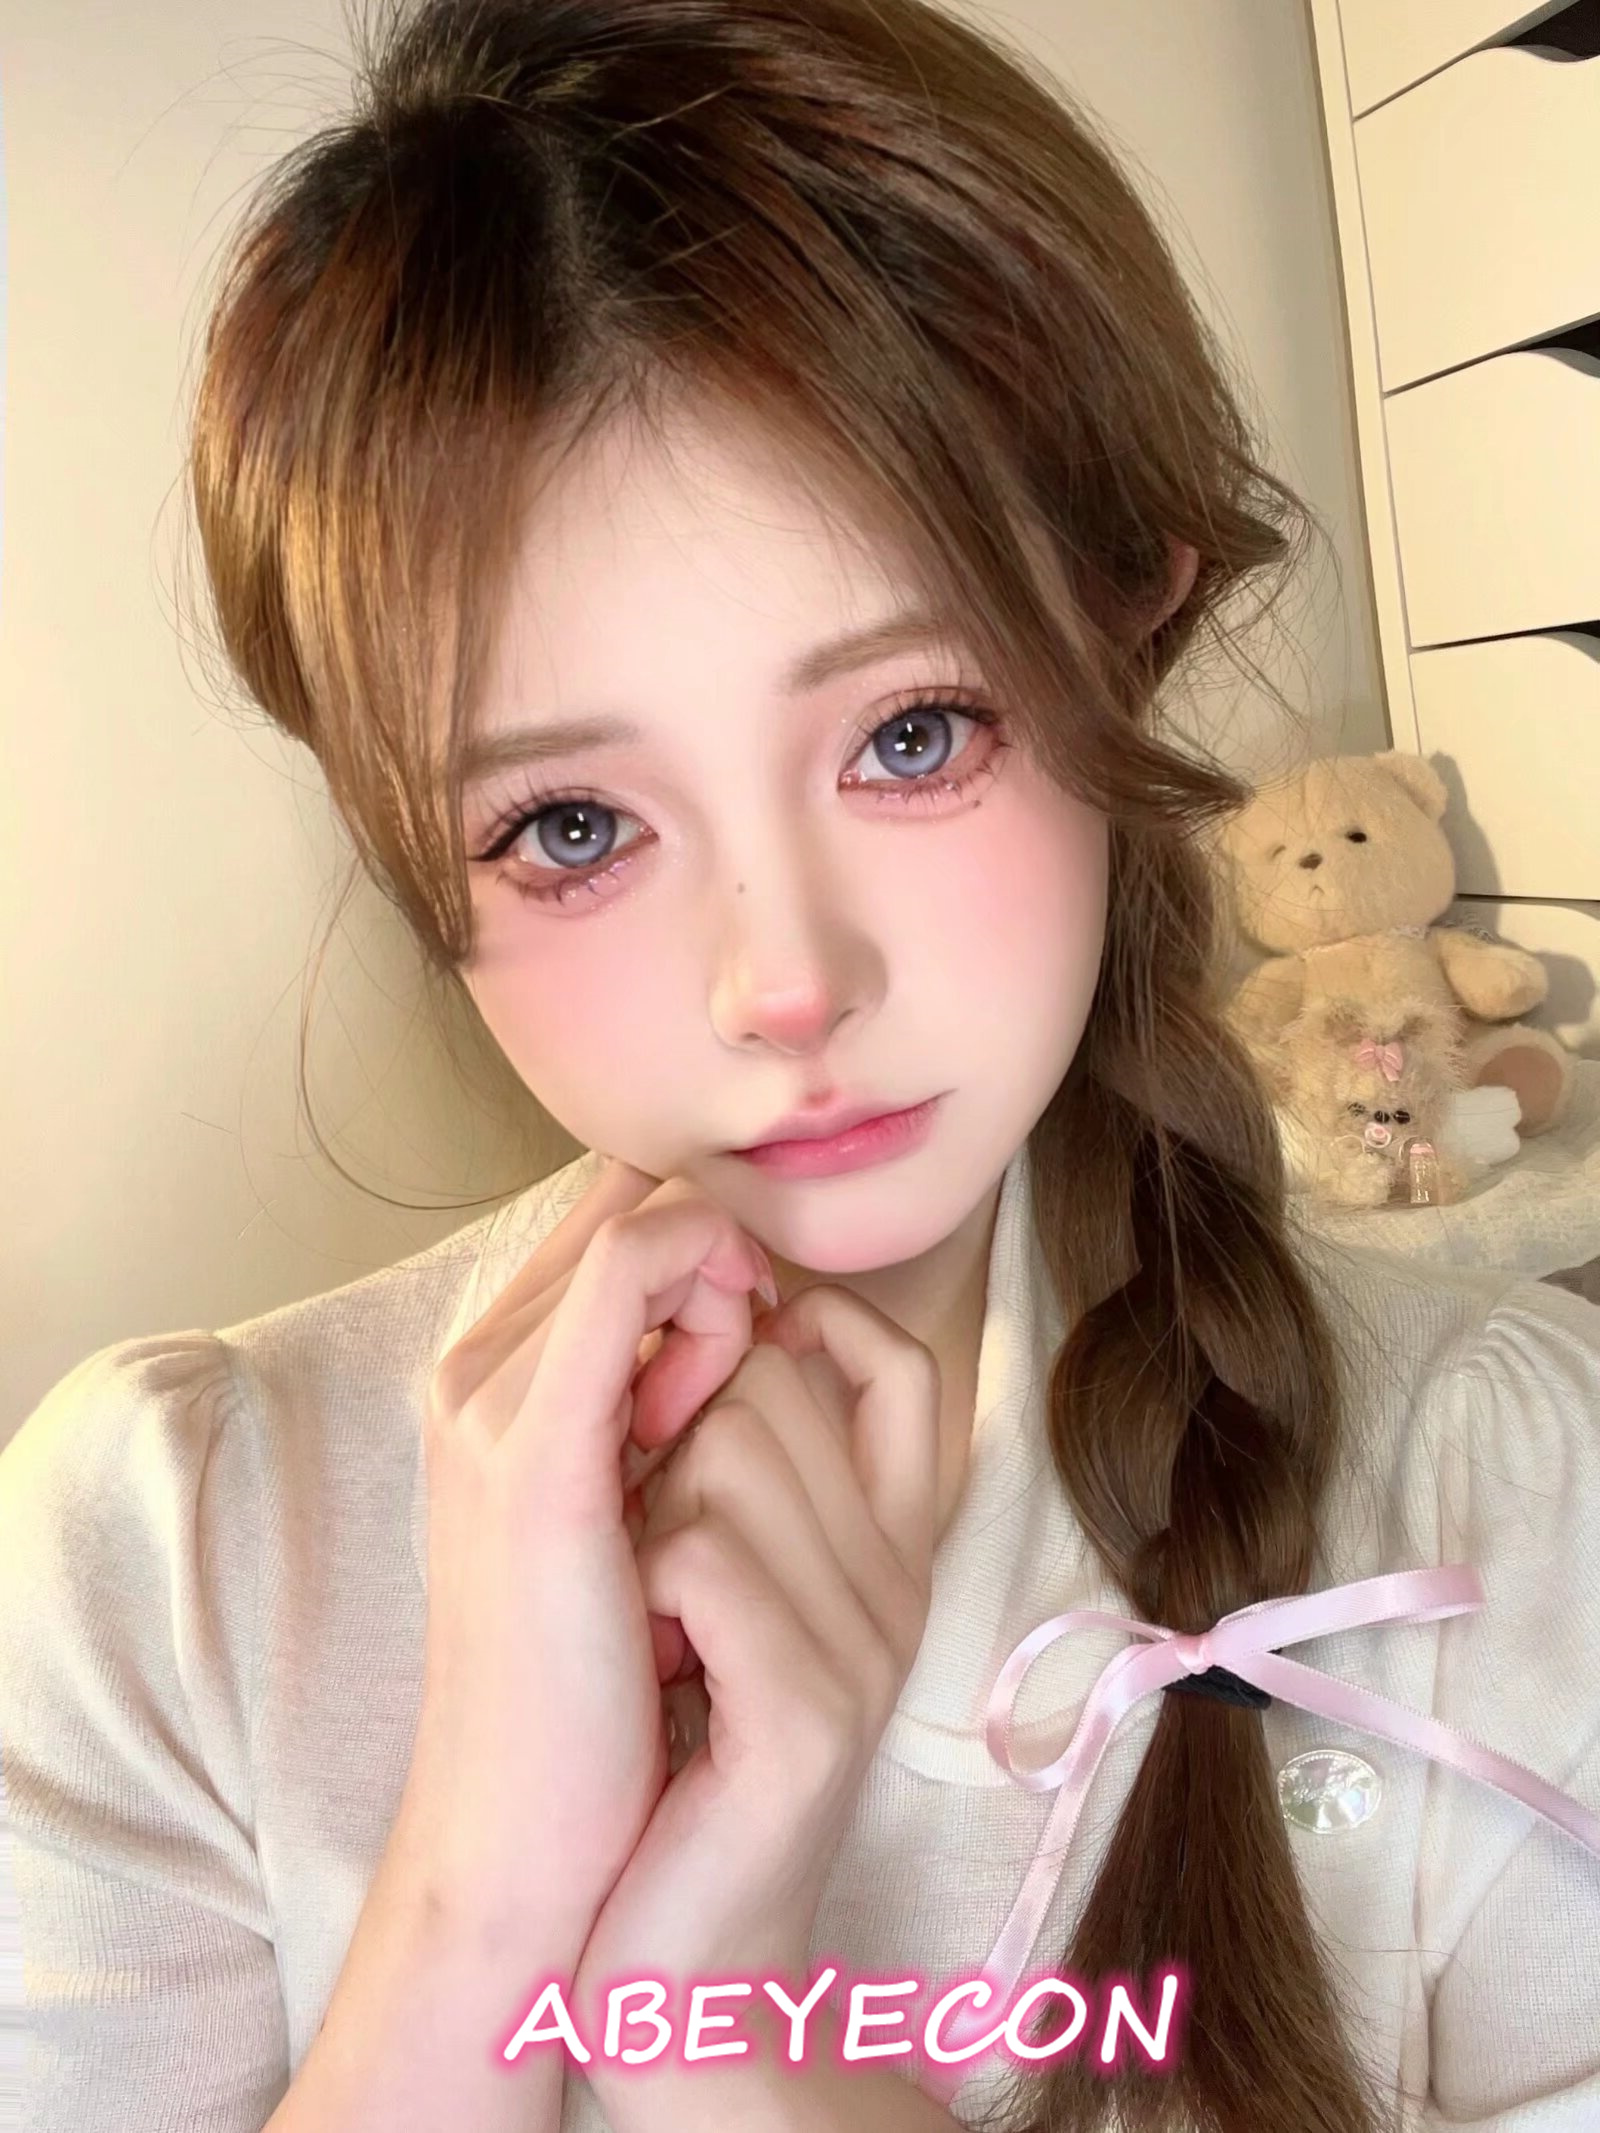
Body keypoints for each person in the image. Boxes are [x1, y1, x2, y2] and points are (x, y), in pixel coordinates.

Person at [2, 1, 1598, 2128]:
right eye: (573, 825)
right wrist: (479, 1888)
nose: (782, 980)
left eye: (910, 732)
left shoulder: (1499, 1497)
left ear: (1120, 631)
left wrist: (723, 2021)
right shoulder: (171, 1558)